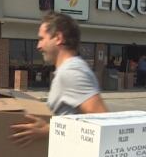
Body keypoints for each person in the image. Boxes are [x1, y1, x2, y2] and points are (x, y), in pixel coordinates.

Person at [11, 12, 108, 146]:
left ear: (58, 38)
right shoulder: (69, 70)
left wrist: (47, 131)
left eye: (41, 39)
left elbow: (103, 120)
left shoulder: (71, 72)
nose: (38, 46)